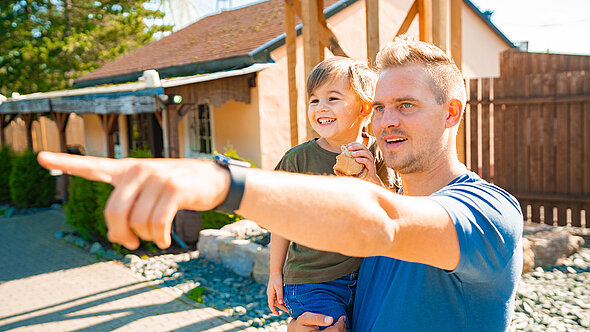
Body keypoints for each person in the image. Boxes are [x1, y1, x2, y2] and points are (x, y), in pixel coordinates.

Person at [37, 35, 523, 331]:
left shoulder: (488, 214)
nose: (385, 121)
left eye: (407, 106)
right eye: (378, 107)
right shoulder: (382, 196)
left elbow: (383, 223)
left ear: (452, 113)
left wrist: (221, 182)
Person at [267, 57, 397, 331]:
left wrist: (372, 178)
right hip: (312, 280)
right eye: (314, 100)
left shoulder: (377, 154)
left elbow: (395, 211)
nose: (320, 108)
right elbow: (280, 221)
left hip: (363, 277)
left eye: (333, 98)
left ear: (363, 108)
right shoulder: (298, 159)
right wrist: (274, 274)